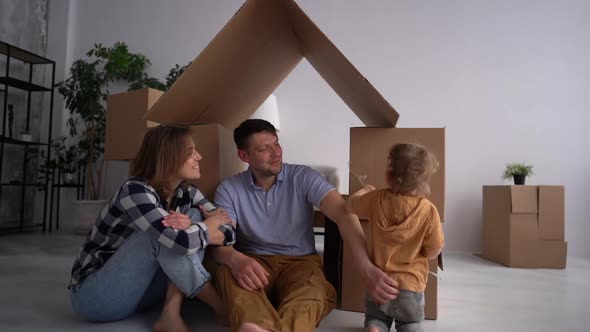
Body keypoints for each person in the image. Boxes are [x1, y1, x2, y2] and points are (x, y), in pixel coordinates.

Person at [212, 119, 400, 332]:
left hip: (300, 262)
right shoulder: (229, 189)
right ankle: (258, 326)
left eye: (276, 144)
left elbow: (344, 215)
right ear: (244, 156)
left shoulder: (303, 177)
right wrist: (235, 259)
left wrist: (366, 268)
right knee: (229, 277)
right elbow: (219, 241)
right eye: (265, 149)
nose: (276, 153)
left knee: (312, 293)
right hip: (252, 260)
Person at [68, 125, 236, 332]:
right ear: (168, 157)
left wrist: (198, 226)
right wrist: (210, 224)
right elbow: (186, 239)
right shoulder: (135, 191)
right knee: (159, 236)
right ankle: (221, 307)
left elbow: (230, 230)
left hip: (142, 293)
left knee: (191, 218)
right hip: (95, 296)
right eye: (190, 152)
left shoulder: (189, 193)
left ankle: (170, 314)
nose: (199, 157)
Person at [346, 143, 445, 332]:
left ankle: (375, 328)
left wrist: (365, 189)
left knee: (376, 318)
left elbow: (350, 206)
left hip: (380, 284)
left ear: (388, 175)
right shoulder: (428, 210)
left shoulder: (376, 198)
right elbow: (434, 251)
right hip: (410, 286)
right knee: (410, 324)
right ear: (424, 180)